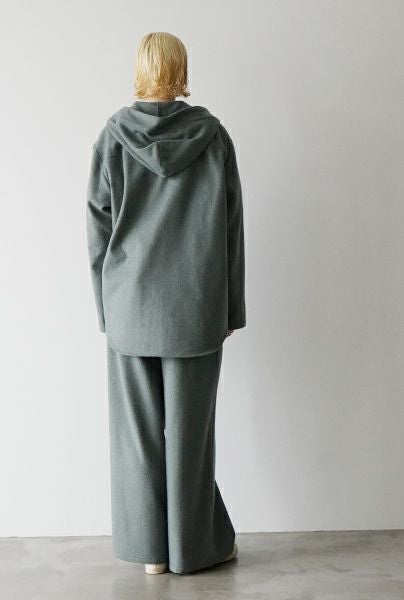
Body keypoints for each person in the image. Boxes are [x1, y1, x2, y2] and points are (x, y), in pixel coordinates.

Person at [86, 31, 246, 575]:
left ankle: (150, 554)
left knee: (138, 438)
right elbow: (231, 228)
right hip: (196, 308)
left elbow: (98, 232)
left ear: (140, 70)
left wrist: (106, 310)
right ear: (181, 70)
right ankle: (193, 549)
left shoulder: (113, 137)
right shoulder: (213, 137)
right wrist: (231, 308)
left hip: (130, 308)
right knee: (190, 438)